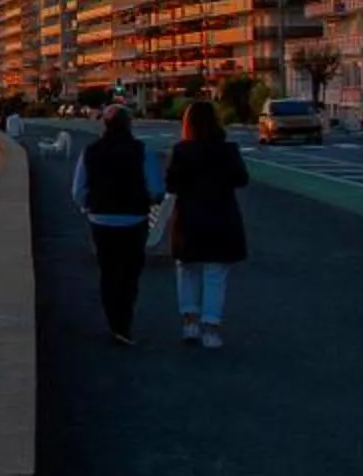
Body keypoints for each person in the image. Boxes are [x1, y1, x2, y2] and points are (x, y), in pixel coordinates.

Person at [164, 100, 250, 349]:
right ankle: (211, 328)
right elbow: (241, 179)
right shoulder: (228, 150)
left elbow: (171, 184)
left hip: (189, 218)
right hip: (221, 217)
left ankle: (189, 323)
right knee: (215, 275)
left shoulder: (181, 151)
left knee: (187, 270)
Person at [72, 104, 156, 346]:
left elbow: (78, 190)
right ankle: (124, 322)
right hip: (135, 218)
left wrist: (88, 207)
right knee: (130, 273)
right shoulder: (142, 150)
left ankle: (114, 323)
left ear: (104, 125)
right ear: (129, 125)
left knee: (108, 272)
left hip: (101, 219)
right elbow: (156, 188)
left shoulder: (91, 151)